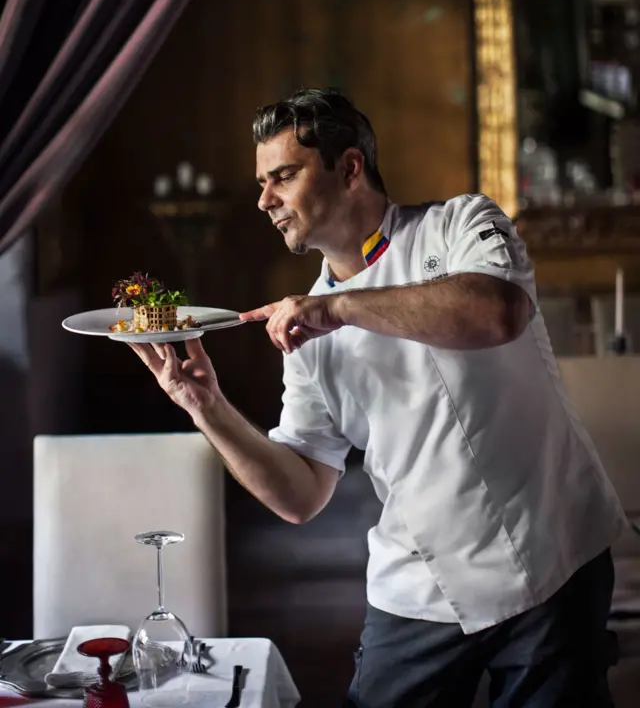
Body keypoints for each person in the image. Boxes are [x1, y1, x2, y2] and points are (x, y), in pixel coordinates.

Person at [129, 88, 626, 707]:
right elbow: (301, 493)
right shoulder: (305, 330)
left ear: (350, 167)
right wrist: (205, 407)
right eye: (262, 183)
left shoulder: (464, 224)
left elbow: (495, 313)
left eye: (282, 176)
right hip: (418, 585)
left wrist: (336, 308)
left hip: (551, 557)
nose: (264, 201)